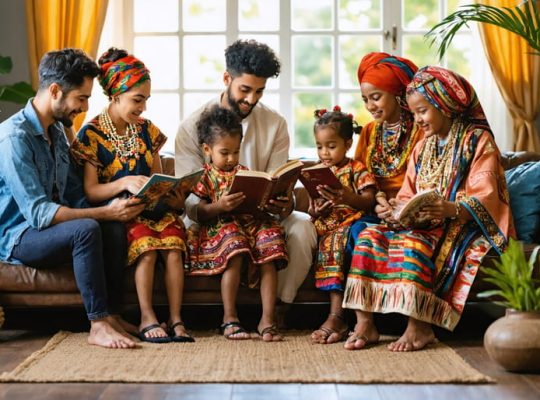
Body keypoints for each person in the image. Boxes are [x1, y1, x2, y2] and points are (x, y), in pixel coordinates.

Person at [342, 66, 515, 352]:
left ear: (444, 106)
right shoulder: (424, 146)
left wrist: (449, 209)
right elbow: (409, 192)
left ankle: (419, 326)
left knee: (414, 243)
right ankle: (365, 323)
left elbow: (487, 196)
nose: (417, 119)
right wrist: (395, 208)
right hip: (424, 222)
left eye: (422, 111)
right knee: (368, 238)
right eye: (414, 113)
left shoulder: (476, 140)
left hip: (462, 223)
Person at [0, 48, 146, 349]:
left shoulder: (58, 131)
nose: (85, 106)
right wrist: (104, 214)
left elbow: (76, 196)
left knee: (113, 226)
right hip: (20, 235)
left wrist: (115, 209)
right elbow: (40, 214)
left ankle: (113, 314)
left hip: (50, 229)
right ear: (55, 91)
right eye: (81, 98)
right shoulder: (14, 138)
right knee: (88, 228)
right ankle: (98, 324)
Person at [175, 39, 317, 320]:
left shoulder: (275, 124)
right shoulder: (192, 127)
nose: (252, 99)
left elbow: (279, 181)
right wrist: (216, 207)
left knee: (303, 228)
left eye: (260, 91)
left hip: (262, 217)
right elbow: (187, 198)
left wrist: (283, 202)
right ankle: (231, 315)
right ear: (227, 78)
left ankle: (278, 309)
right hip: (211, 216)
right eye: (245, 89)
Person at [71, 48, 193, 344]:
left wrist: (173, 196)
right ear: (115, 95)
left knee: (174, 244)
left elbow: (158, 179)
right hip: (120, 213)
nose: (144, 108)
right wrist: (123, 181)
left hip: (154, 208)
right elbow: (90, 191)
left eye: (146, 100)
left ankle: (176, 318)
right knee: (147, 248)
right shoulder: (91, 135)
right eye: (137, 100)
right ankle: (147, 317)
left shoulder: (148, 132)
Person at [189, 105, 287, 341]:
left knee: (271, 241)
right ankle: (229, 317)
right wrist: (219, 206)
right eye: (225, 153)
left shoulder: (243, 171)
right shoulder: (205, 175)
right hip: (219, 225)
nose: (232, 158)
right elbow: (199, 211)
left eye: (236, 151)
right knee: (236, 246)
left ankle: (267, 318)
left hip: (249, 223)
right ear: (207, 149)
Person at [307, 106, 377, 344]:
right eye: (319, 146)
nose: (324, 153)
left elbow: (369, 201)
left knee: (338, 240)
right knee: (330, 239)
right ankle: (339, 318)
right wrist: (315, 211)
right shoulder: (317, 171)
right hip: (328, 223)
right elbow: (312, 206)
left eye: (331, 146)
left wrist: (347, 197)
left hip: (354, 219)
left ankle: (336, 316)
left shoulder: (356, 168)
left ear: (347, 144)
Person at [354, 52, 424, 223]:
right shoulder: (369, 131)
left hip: (413, 213)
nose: (370, 106)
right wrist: (376, 206)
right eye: (365, 99)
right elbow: (357, 178)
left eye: (376, 98)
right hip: (375, 211)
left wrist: (401, 206)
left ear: (397, 93)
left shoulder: (423, 130)